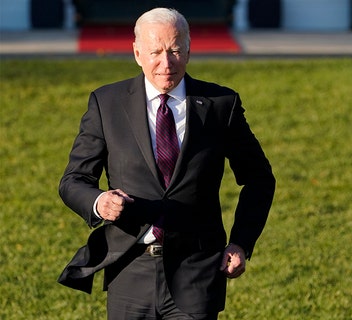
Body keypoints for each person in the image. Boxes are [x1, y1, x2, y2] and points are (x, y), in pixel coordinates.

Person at [57, 7, 276, 319]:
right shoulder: (106, 104)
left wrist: (241, 243)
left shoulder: (220, 106)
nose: (166, 63)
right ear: (136, 53)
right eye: (155, 51)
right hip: (129, 272)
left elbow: (259, 179)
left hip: (196, 273)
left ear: (188, 50)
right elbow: (73, 181)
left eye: (175, 50)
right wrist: (98, 202)